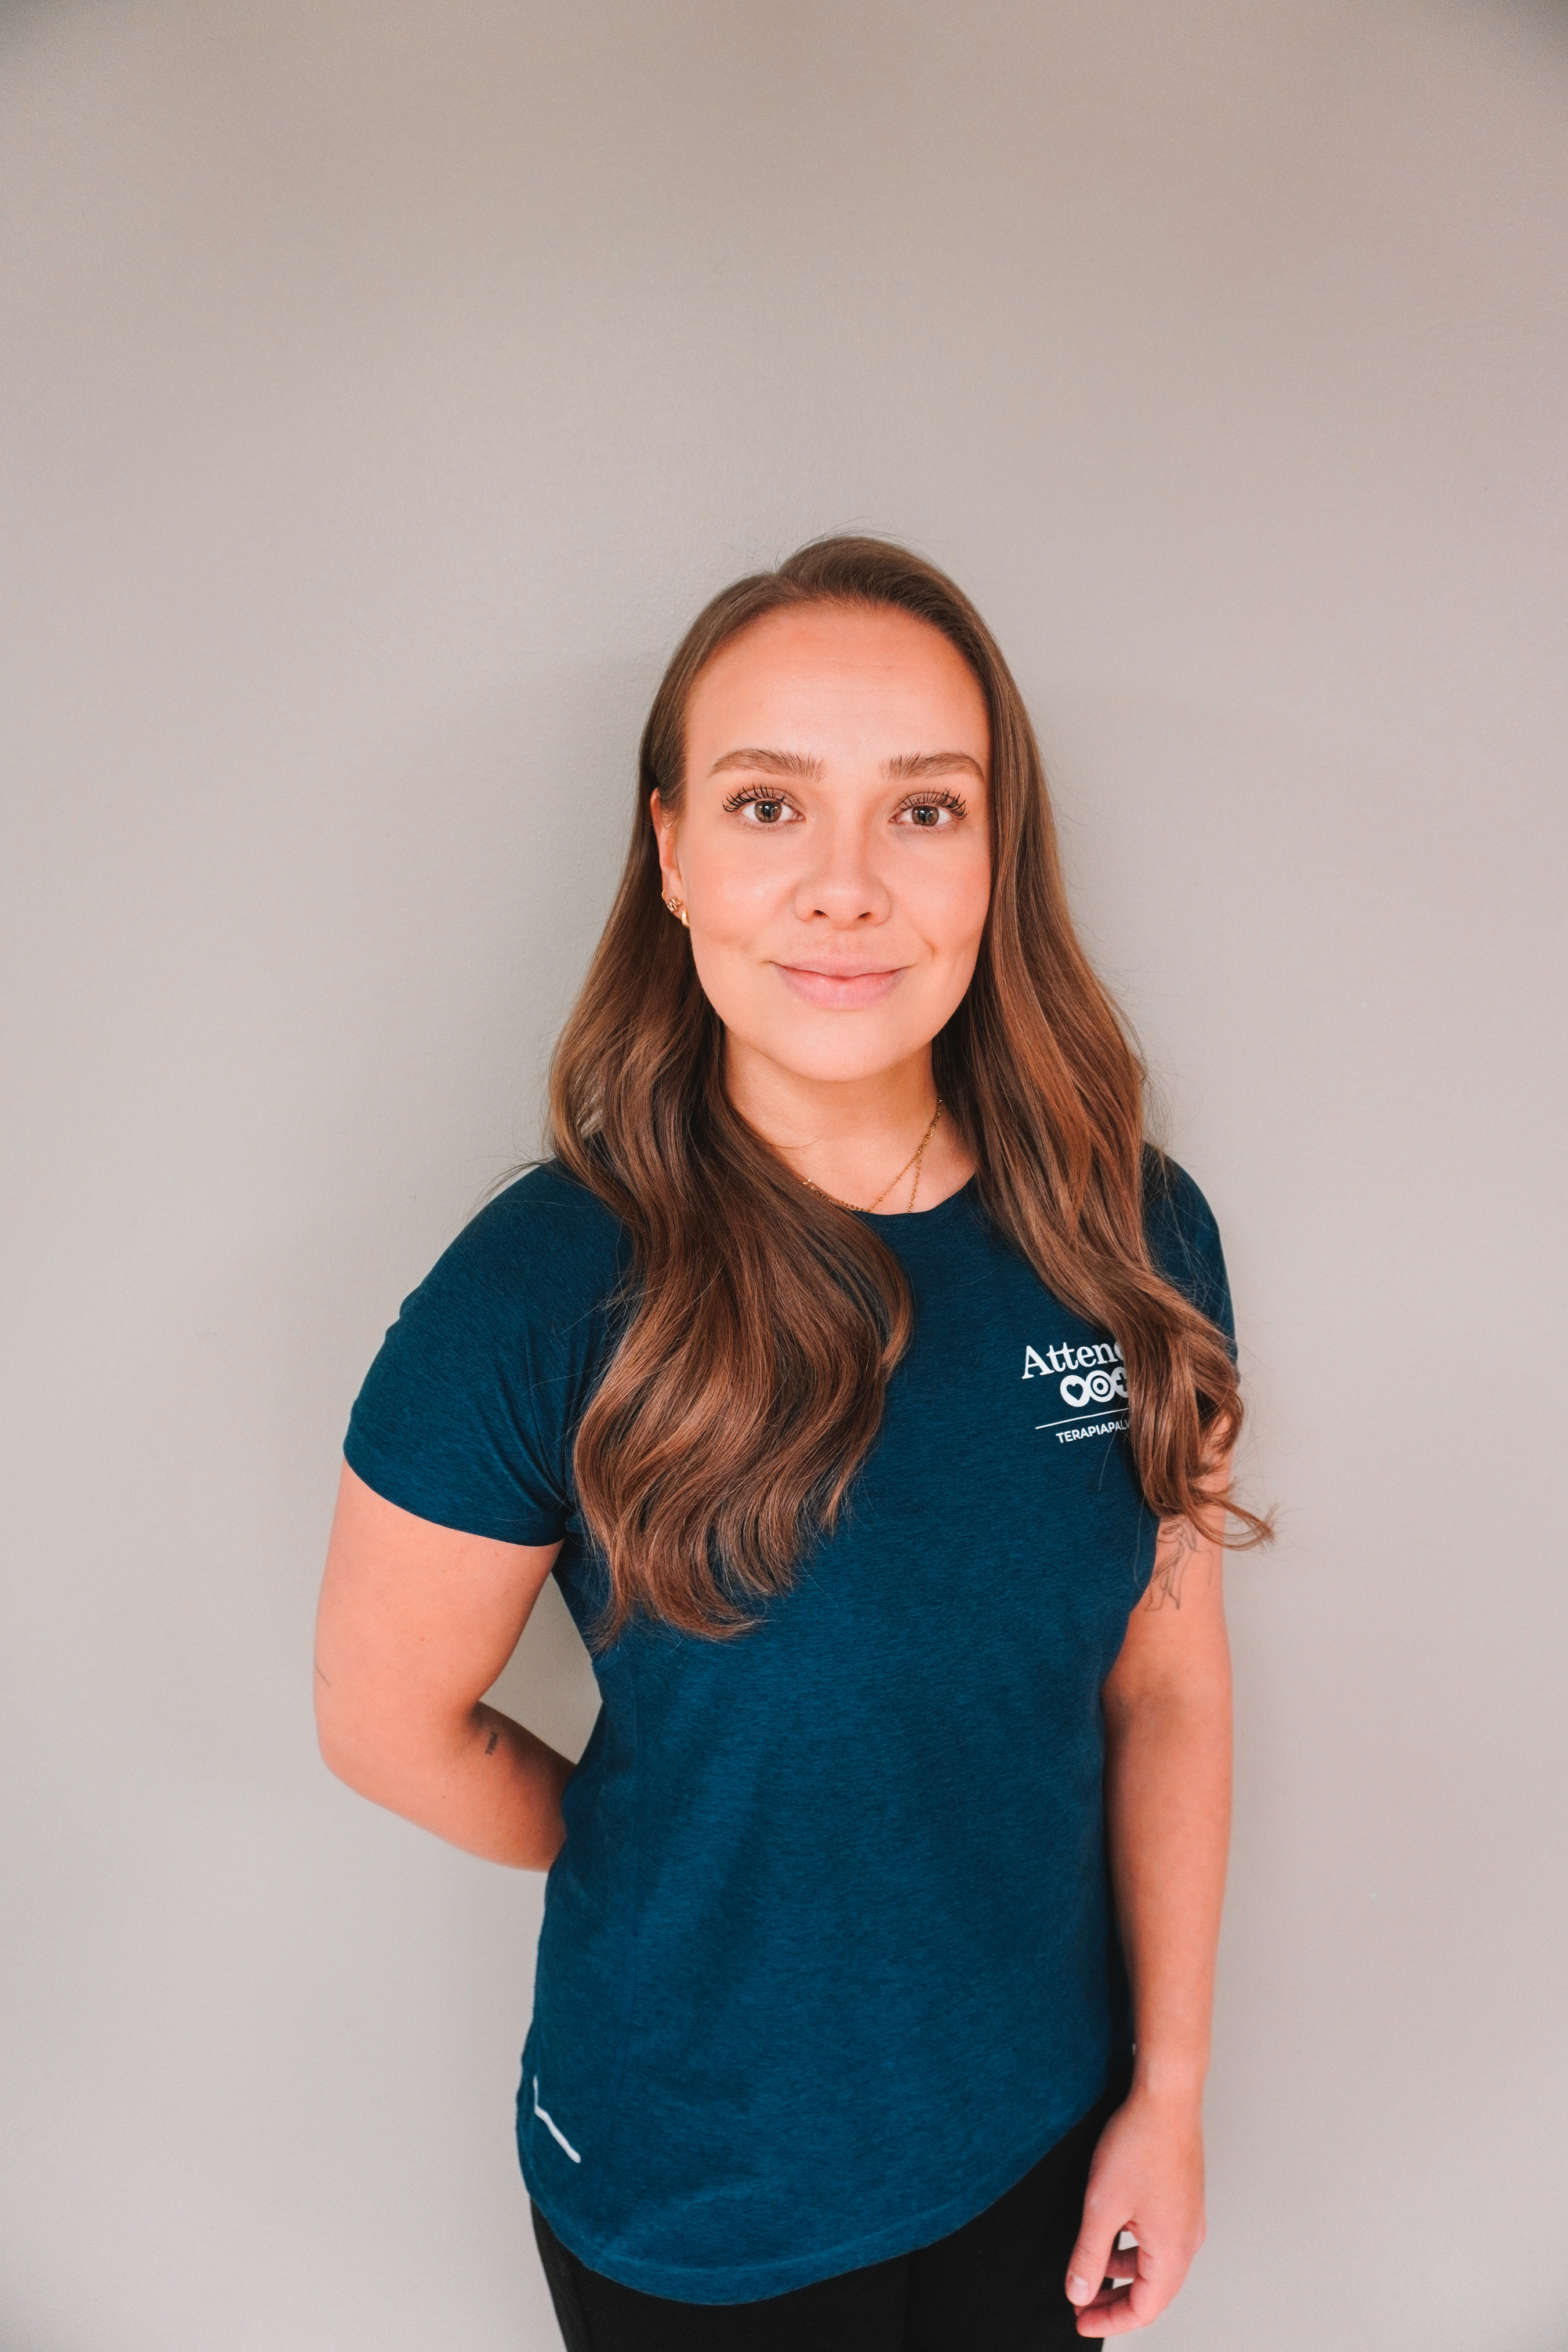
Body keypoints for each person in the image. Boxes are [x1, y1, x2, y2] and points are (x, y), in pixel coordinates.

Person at [314, 535, 1265, 2349]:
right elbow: (381, 1721)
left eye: (924, 810)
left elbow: (1166, 1682)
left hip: (1043, 2140)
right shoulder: (539, 1290)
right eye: (769, 805)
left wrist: (1168, 2091)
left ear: (996, 856)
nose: (845, 887)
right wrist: (659, 1850)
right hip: (698, 2192)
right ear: (671, 851)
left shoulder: (1133, 1236)